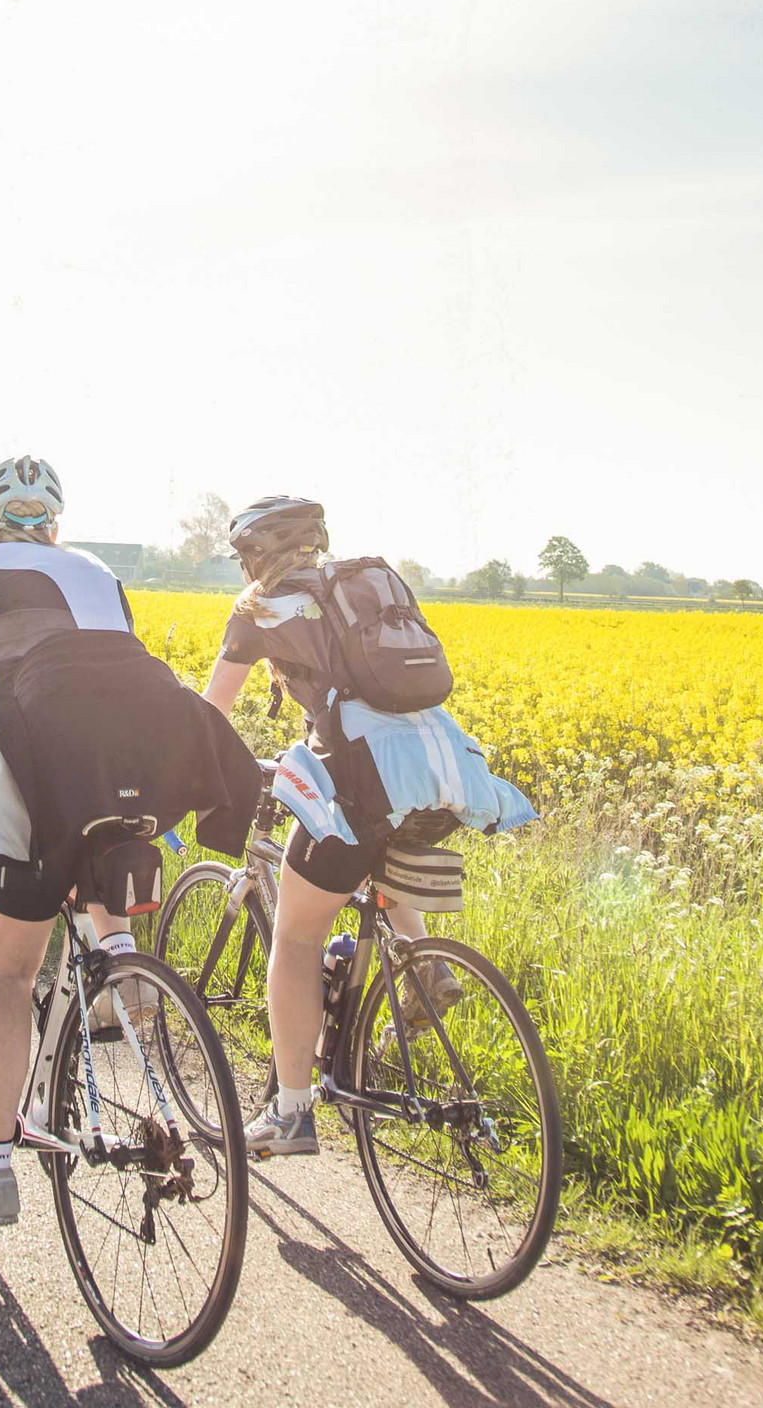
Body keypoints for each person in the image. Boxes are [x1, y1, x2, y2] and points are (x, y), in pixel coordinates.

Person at [0, 455, 260, 1229]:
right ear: (55, 523)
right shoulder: (98, 572)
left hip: (49, 736)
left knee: (6, 971)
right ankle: (121, 978)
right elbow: (106, 674)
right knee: (102, 841)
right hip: (159, 732)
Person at [198, 495, 535, 1158]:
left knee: (295, 940)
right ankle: (418, 961)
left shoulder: (262, 608)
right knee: (378, 846)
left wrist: (188, 773)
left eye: (243, 558)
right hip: (441, 771)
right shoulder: (363, 587)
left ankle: (293, 1114)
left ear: (259, 556)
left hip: (359, 774)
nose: (242, 572)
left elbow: (213, 711)